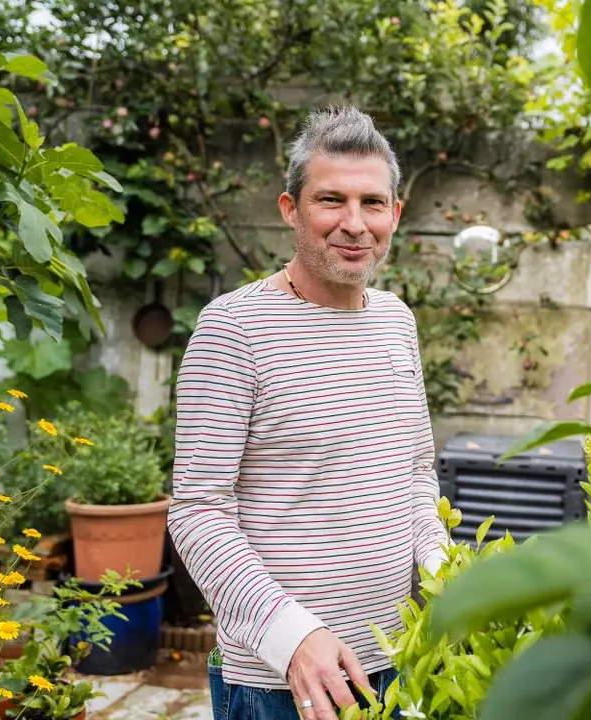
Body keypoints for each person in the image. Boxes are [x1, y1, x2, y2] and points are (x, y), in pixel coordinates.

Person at [168, 105, 449, 720]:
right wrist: (293, 636)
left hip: (398, 657)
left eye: (372, 203)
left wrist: (439, 569)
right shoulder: (232, 328)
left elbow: (416, 472)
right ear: (291, 209)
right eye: (331, 201)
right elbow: (197, 511)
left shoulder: (397, 322)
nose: (354, 224)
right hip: (283, 681)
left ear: (395, 215)